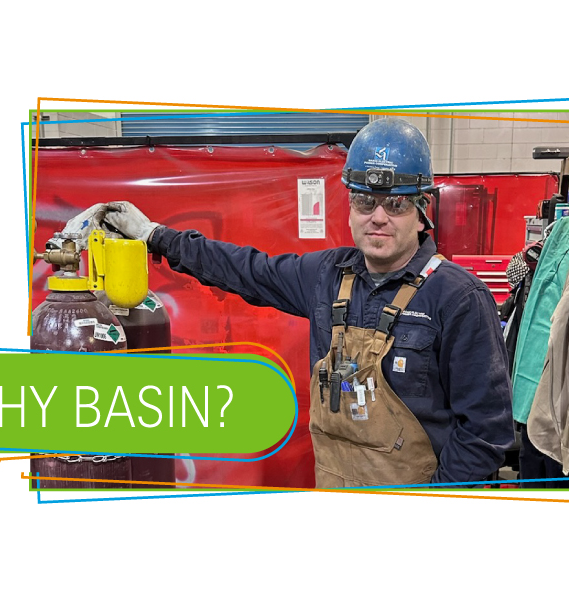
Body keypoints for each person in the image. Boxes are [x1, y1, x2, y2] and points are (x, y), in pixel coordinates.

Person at [62, 118, 514, 487]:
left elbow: (485, 435)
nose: (378, 216)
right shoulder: (329, 276)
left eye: (395, 205)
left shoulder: (457, 297)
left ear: (421, 211)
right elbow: (243, 267)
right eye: (365, 200)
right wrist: (155, 235)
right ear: (351, 205)